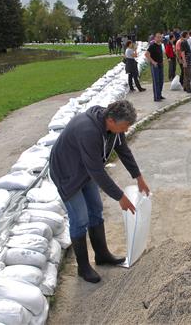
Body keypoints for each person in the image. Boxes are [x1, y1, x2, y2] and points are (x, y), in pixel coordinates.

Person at [49, 100, 151, 283]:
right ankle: (83, 267)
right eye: (125, 126)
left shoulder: (112, 128)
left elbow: (123, 151)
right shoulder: (88, 131)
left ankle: (102, 255)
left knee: (96, 210)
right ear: (111, 120)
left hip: (84, 170)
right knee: (80, 219)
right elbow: (97, 171)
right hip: (67, 174)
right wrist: (120, 196)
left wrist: (139, 177)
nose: (126, 130)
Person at [145, 32, 165, 102]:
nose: (159, 38)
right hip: (155, 65)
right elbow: (146, 54)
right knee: (156, 81)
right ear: (155, 38)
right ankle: (156, 97)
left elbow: (160, 54)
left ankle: (159, 94)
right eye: (158, 37)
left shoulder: (160, 45)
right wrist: (153, 62)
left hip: (160, 64)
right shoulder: (152, 45)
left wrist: (162, 60)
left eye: (160, 37)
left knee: (161, 81)